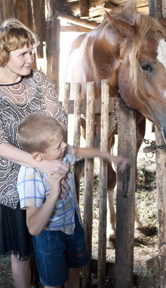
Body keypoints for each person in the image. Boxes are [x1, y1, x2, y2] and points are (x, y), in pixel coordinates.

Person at [0, 19, 69, 287]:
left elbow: (59, 120)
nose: (30, 58)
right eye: (23, 54)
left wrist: (47, 162)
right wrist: (41, 163)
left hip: (45, 171)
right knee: (22, 253)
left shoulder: (38, 79)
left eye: (31, 51)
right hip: (9, 180)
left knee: (52, 239)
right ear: (4, 56)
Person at [15, 113, 132, 288]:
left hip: (72, 225)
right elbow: (33, 227)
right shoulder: (30, 176)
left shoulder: (62, 153)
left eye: (63, 141)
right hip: (49, 237)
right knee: (53, 284)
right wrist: (54, 194)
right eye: (58, 146)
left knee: (74, 275)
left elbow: (77, 150)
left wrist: (109, 156)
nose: (64, 146)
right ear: (38, 157)